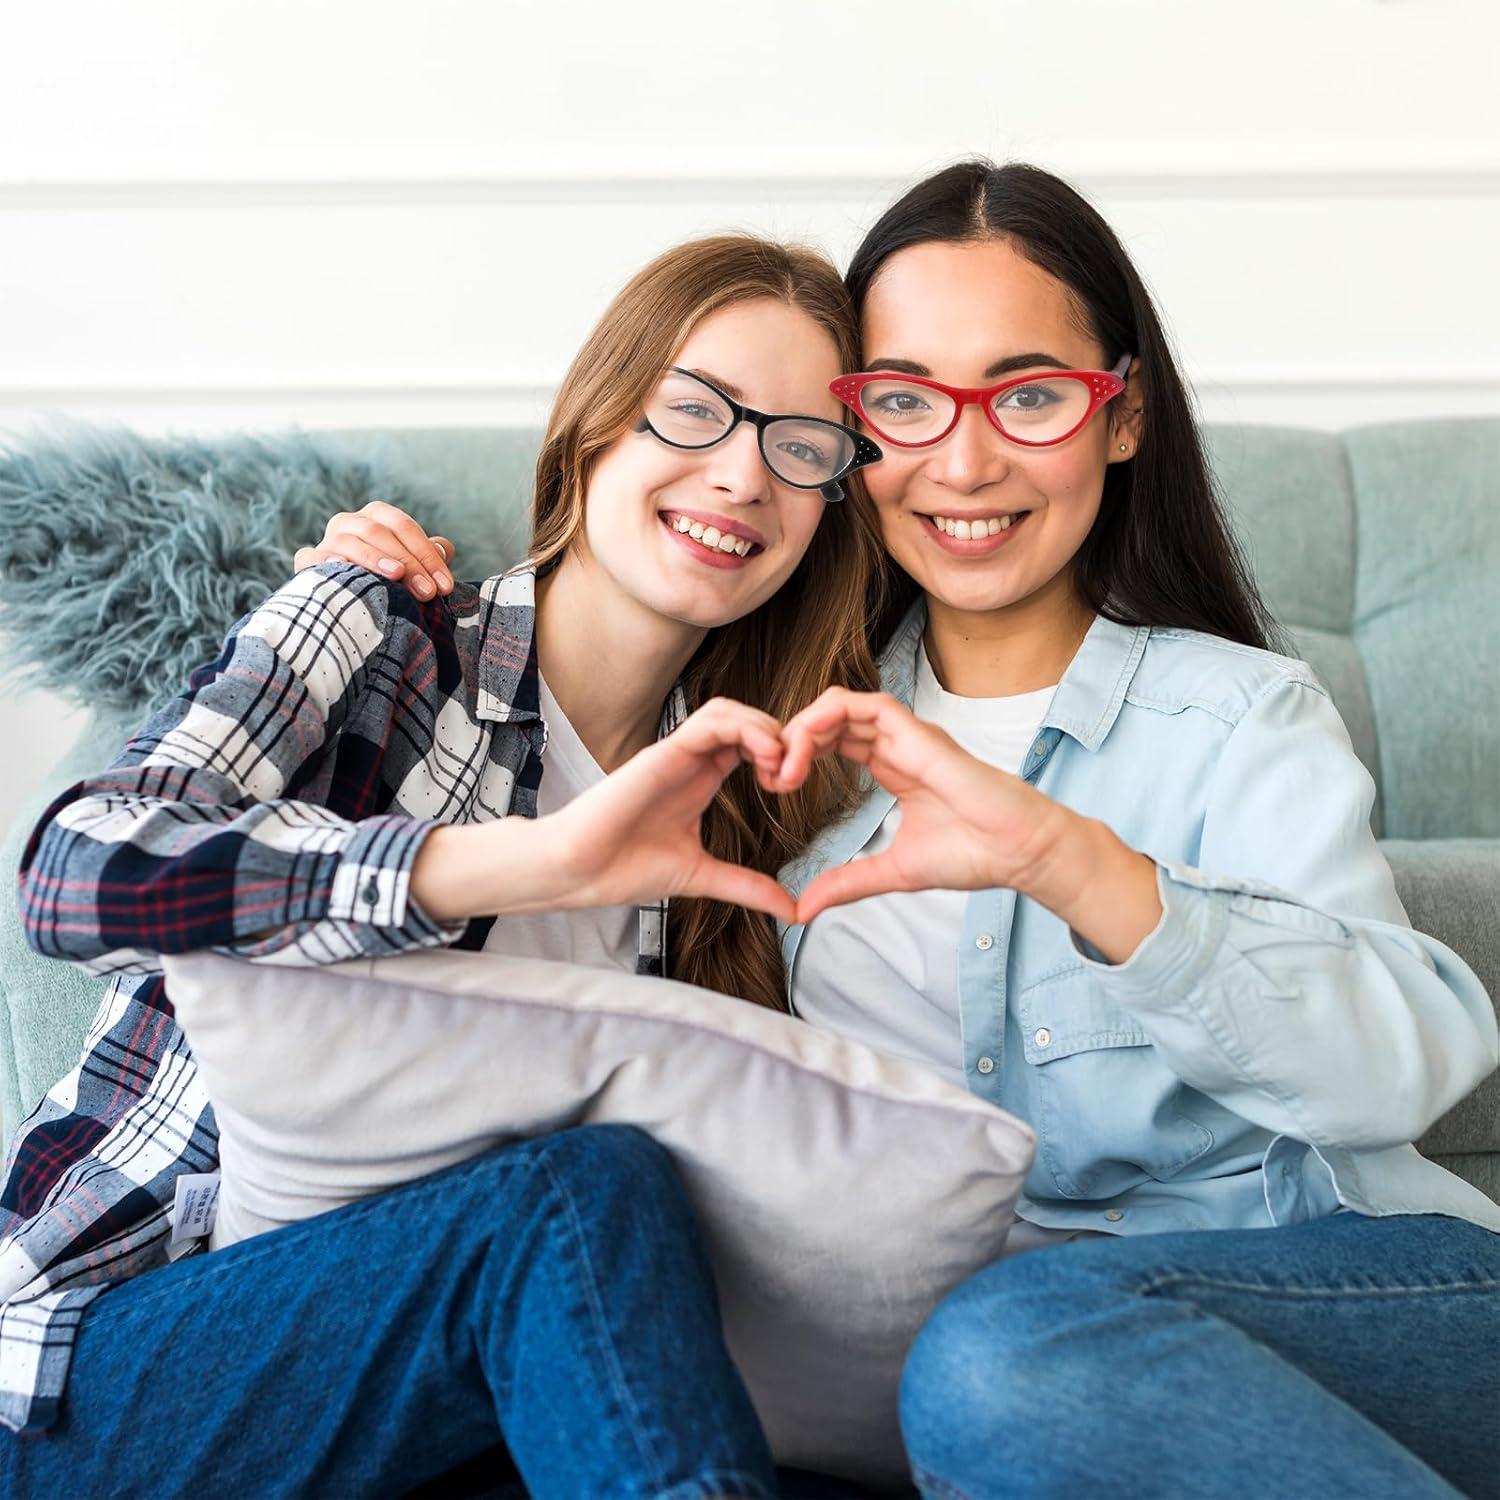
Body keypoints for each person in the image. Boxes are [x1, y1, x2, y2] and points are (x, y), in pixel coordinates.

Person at [332, 162, 1500, 1499]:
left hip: (1350, 1303)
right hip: (976, 1402)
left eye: (1030, 395)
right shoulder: (769, 736)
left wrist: (1067, 860)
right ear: (844, 442)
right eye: (902, 400)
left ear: (1122, 416)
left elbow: (1401, 1071)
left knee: (1006, 1350)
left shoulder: (1234, 714)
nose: (963, 458)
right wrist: (375, 596)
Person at [0, 233, 887, 1499]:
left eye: (802, 447)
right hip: (101, 1363)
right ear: (598, 419)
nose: (744, 474)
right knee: (580, 1197)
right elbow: (74, 868)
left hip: (420, 1402)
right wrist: (503, 864)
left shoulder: (728, 818)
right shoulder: (374, 627)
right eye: (695, 410)